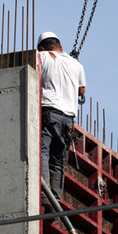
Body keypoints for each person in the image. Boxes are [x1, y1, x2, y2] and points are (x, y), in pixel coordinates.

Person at [38, 31, 86, 211]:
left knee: (42, 153)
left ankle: (44, 195)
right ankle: (55, 200)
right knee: (58, 161)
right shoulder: (76, 64)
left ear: (42, 47)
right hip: (68, 121)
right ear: (61, 47)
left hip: (49, 113)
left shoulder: (41, 57)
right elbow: (81, 91)